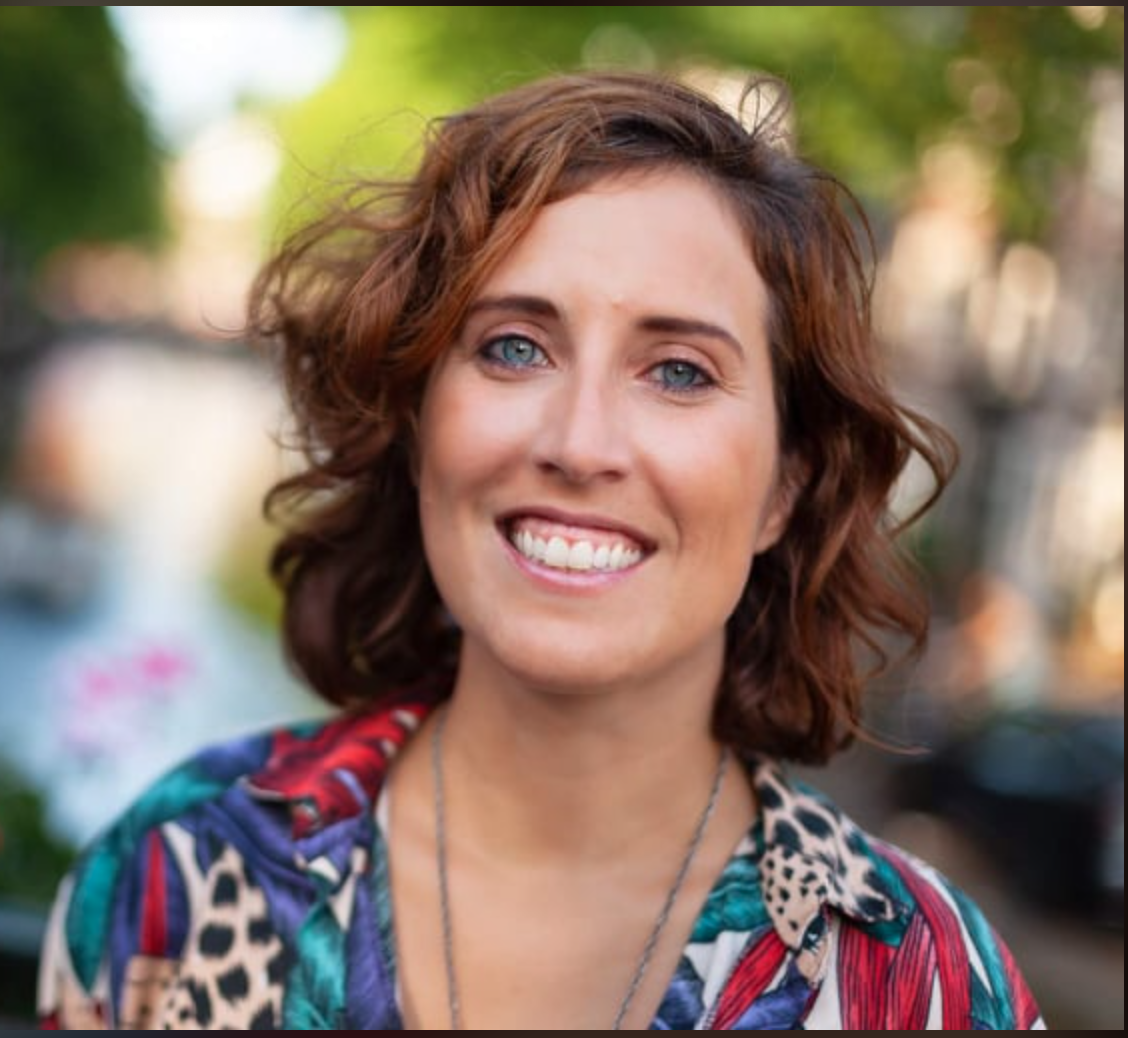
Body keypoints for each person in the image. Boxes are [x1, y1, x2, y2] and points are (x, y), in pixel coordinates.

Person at [37, 71, 1045, 1030]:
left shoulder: (924, 989)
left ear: (786, 485)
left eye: (681, 371)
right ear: (419, 420)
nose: (578, 442)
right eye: (514, 347)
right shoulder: (179, 867)